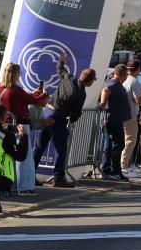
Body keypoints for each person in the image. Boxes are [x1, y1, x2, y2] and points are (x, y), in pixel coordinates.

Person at [33, 55, 96, 188]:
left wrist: (61, 61)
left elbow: (60, 70)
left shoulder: (69, 77)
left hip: (46, 111)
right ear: (90, 81)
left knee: (39, 147)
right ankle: (58, 178)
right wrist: (71, 120)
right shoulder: (80, 93)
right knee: (61, 149)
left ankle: (30, 175)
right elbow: (76, 113)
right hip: (57, 117)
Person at [0, 62, 48, 195]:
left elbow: (20, 99)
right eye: (19, 73)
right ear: (15, 74)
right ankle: (25, 187)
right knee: (25, 157)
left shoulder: (0, 88)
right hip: (21, 125)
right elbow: (33, 101)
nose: (20, 75)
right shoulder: (16, 90)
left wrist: (32, 94)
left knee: (11, 156)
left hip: (7, 125)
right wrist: (43, 94)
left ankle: (13, 185)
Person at [0, 104, 29, 212]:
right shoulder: (4, 135)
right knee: (1, 188)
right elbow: (20, 156)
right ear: (4, 117)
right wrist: (23, 137)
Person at [98, 64, 132, 181]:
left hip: (115, 120)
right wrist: (103, 103)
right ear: (123, 75)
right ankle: (114, 170)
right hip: (113, 120)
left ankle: (108, 170)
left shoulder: (118, 84)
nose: (128, 76)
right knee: (118, 145)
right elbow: (106, 89)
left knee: (109, 146)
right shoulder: (113, 83)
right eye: (127, 74)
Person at [122, 59, 141, 177]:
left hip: (125, 114)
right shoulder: (134, 82)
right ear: (138, 69)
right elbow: (138, 100)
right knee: (130, 141)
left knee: (127, 141)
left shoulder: (127, 80)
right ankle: (124, 167)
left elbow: (136, 92)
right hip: (131, 115)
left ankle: (126, 166)